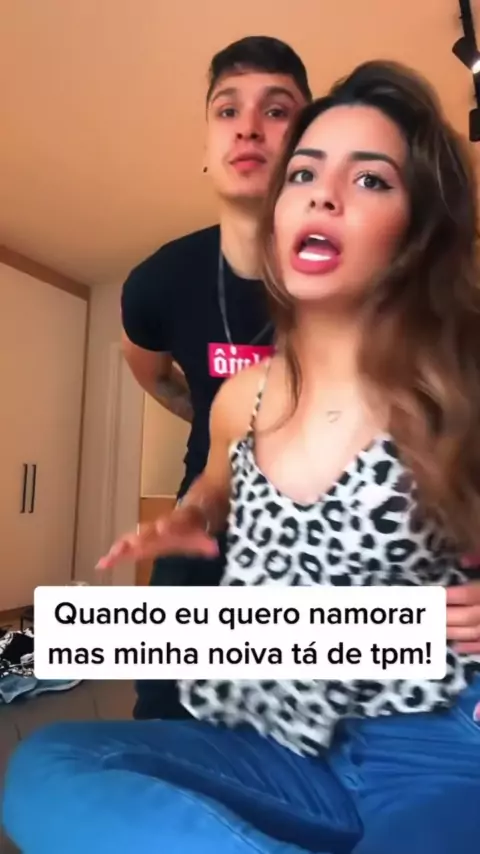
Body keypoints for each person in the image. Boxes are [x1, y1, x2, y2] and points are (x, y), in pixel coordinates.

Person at [5, 60, 480, 854]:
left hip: (428, 739)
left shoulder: (459, 379)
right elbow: (217, 486)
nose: (323, 195)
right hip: (276, 734)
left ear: (419, 232)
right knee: (47, 767)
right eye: (305, 174)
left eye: (370, 180)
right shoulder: (243, 397)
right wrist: (190, 517)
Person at [120, 35, 312, 720]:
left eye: (277, 110)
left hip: (329, 532)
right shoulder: (159, 281)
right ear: (208, 145)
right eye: (228, 110)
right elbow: (151, 373)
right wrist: (211, 414)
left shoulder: (364, 278)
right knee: (165, 710)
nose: (249, 126)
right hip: (206, 513)